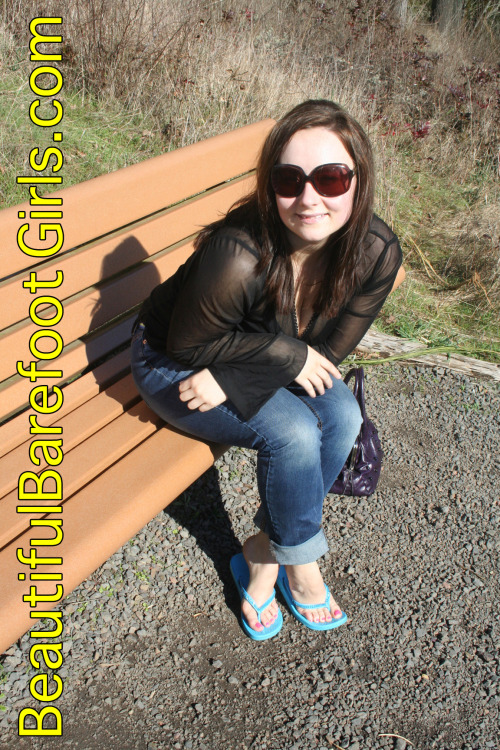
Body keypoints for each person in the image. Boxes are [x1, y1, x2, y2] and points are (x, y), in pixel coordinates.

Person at [130, 99, 403, 640]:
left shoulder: (374, 252)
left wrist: (239, 376)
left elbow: (327, 352)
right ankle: (300, 566)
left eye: (330, 178)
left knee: (343, 416)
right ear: (269, 185)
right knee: (295, 432)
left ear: (359, 180)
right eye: (289, 179)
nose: (309, 198)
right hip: (169, 359)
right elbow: (188, 347)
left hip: (233, 362)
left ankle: (263, 549)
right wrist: (286, 357)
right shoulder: (241, 251)